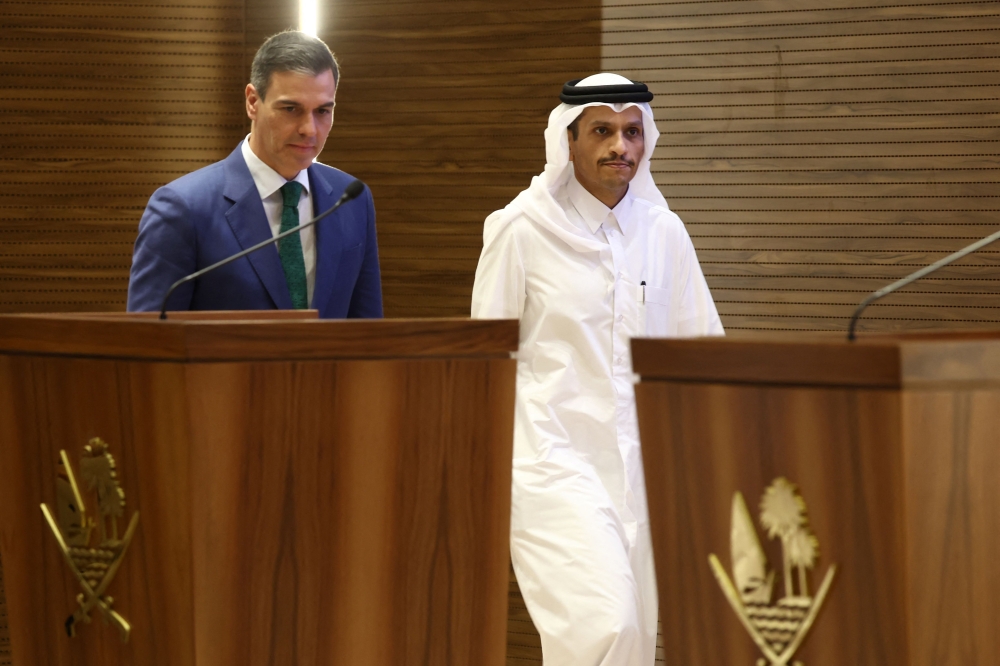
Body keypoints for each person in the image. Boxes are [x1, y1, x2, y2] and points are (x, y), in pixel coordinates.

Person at [471, 73, 723, 665]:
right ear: (569, 141)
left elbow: (702, 351)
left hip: (641, 473)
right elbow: (485, 363)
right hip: (550, 465)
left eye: (633, 132)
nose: (621, 147)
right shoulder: (521, 229)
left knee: (635, 637)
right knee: (606, 630)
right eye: (603, 131)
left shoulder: (664, 233)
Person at [127, 30, 382, 318]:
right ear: (252, 102)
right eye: (291, 108)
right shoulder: (183, 208)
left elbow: (368, 331)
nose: (309, 130)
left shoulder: (351, 199)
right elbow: (148, 343)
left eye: (322, 111)